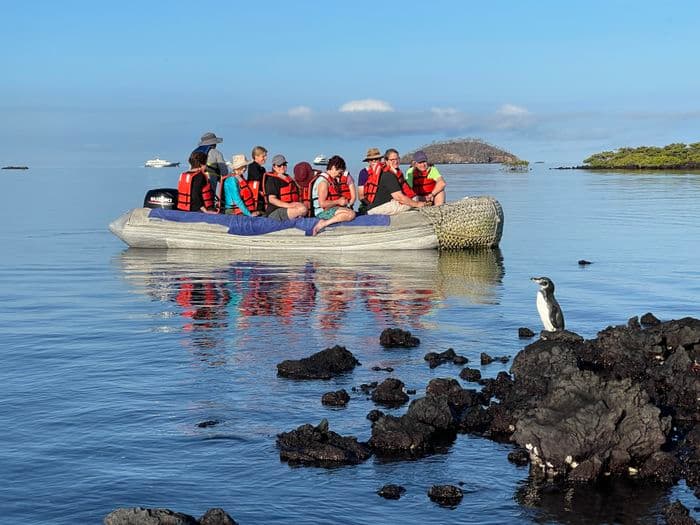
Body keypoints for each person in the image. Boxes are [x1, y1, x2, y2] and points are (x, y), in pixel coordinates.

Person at [365, 149, 425, 215]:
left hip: (382, 205)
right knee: (413, 201)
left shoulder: (394, 172)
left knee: (414, 199)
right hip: (377, 209)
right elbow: (399, 197)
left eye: (397, 159)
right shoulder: (388, 175)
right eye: (392, 160)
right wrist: (417, 204)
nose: (395, 161)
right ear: (386, 161)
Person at [311, 155, 357, 236]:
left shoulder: (331, 180)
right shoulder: (323, 182)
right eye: (339, 172)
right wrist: (338, 201)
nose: (340, 175)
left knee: (351, 212)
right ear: (333, 168)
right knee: (351, 214)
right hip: (322, 212)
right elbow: (322, 204)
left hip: (330, 209)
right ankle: (323, 224)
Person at [262, 154, 307, 220]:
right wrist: (289, 205)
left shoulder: (288, 178)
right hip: (275, 211)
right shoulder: (272, 179)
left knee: (304, 207)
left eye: (284, 164)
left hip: (287, 209)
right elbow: (272, 199)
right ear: (274, 167)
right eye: (279, 165)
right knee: (302, 209)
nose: (282, 167)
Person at [192, 132, 229, 199]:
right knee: (209, 197)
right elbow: (224, 171)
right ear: (214, 143)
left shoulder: (194, 152)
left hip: (195, 177)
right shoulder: (216, 153)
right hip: (210, 177)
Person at [356, 147, 383, 214]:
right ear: (368, 161)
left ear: (380, 160)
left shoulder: (385, 171)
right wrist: (371, 206)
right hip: (368, 204)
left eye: (376, 159)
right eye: (371, 160)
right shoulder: (363, 173)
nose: (374, 161)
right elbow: (361, 196)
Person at [247, 146, 268, 214]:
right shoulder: (252, 166)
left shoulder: (263, 169)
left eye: (265, 156)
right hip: (255, 197)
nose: (265, 158)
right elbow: (257, 179)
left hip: (262, 196)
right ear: (256, 156)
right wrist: (260, 191)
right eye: (263, 156)